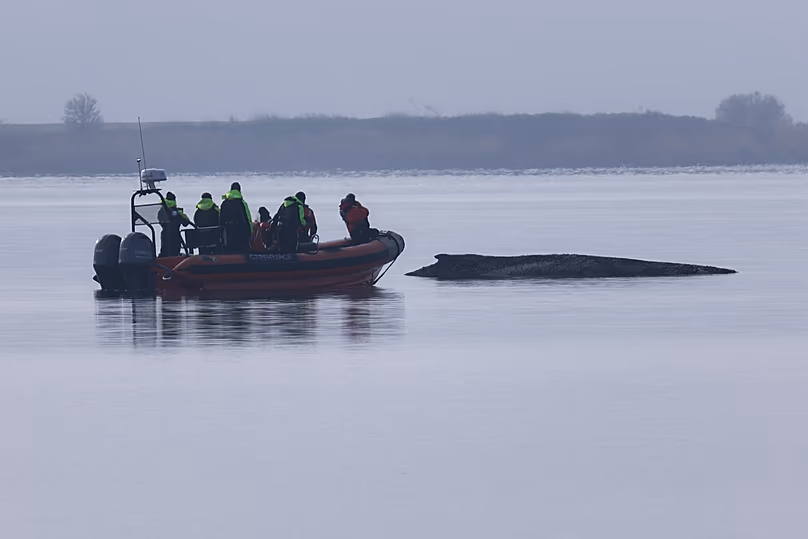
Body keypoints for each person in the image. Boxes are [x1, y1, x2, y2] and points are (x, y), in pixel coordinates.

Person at [220, 182, 252, 253]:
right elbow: (246, 217)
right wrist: (249, 231)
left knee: (229, 249)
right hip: (239, 230)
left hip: (227, 230)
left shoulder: (224, 203)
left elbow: (221, 218)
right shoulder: (241, 202)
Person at [157, 191, 192, 257]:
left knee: (164, 250)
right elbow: (185, 222)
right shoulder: (176, 211)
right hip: (175, 234)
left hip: (164, 233)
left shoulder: (161, 210)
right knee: (174, 251)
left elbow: (159, 219)